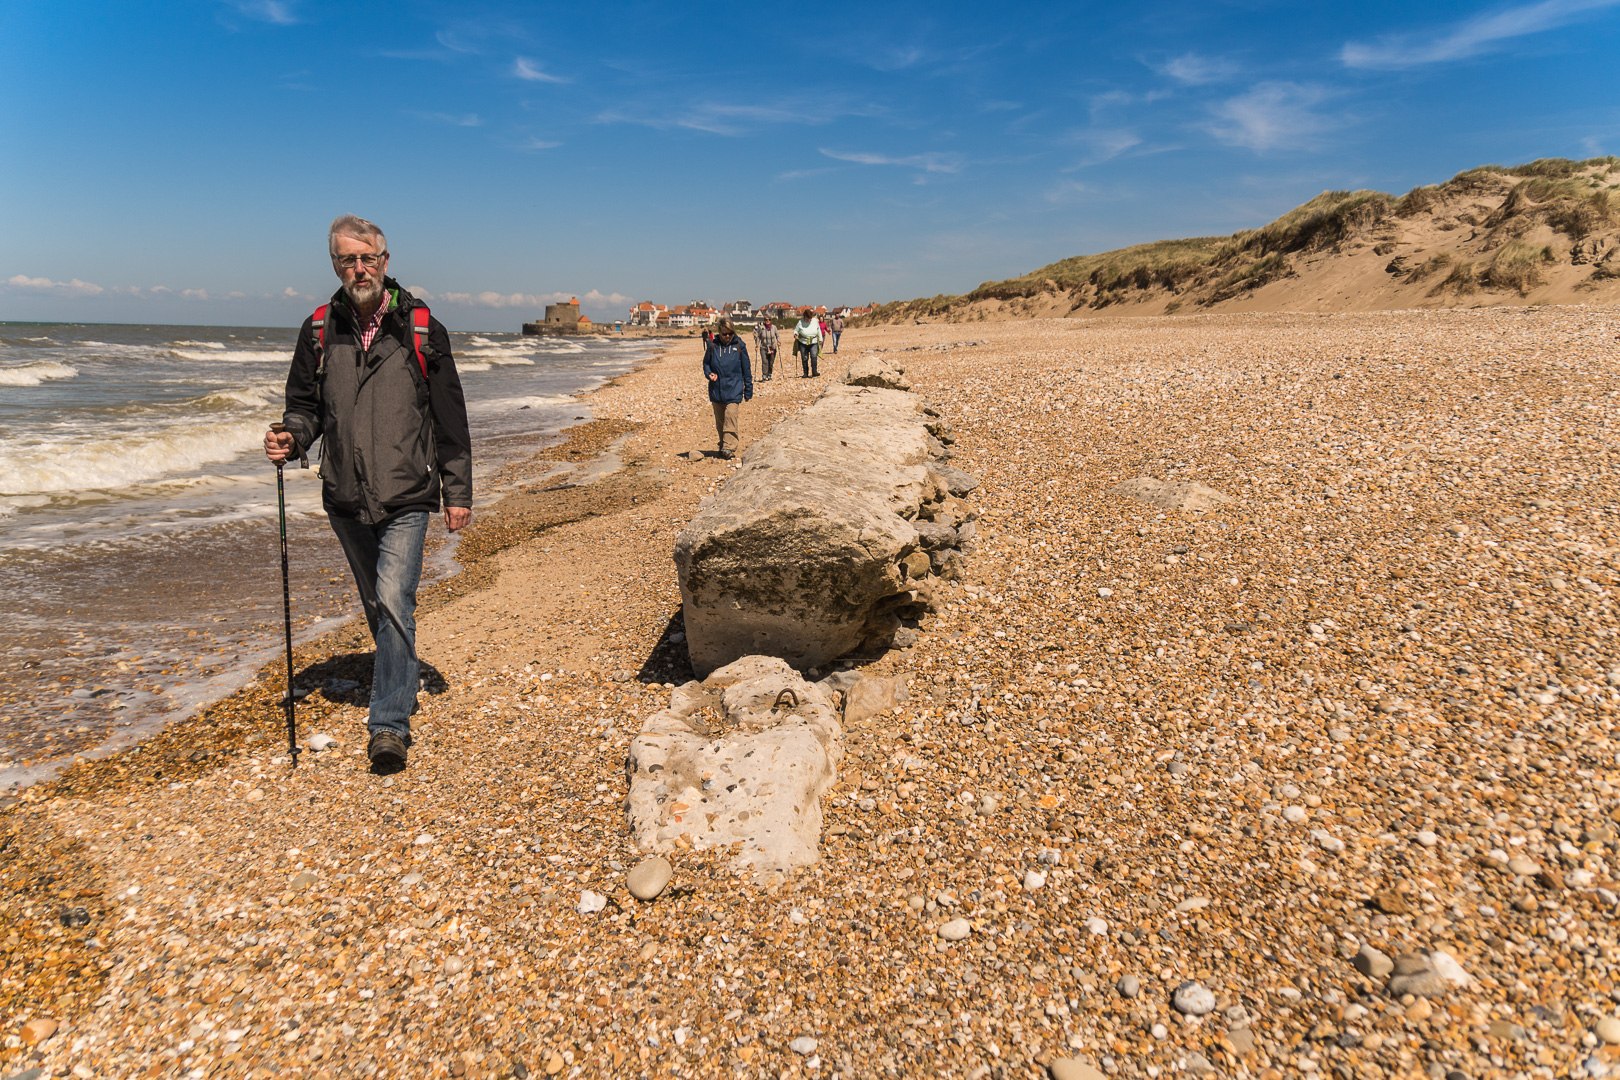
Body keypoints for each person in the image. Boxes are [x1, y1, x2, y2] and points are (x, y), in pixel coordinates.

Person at [264, 214, 473, 774]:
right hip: (345, 496)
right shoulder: (317, 329)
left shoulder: (422, 327)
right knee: (379, 604)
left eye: (367, 258)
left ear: (385, 261)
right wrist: (291, 437)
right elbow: (306, 410)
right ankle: (394, 680)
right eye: (346, 260)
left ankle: (388, 725)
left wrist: (458, 491)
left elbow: (451, 417)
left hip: (407, 492)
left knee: (395, 601)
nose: (358, 269)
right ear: (335, 265)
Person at [703, 319, 753, 459]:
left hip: (734, 389)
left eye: (730, 333)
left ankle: (729, 447)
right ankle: (723, 445)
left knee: (730, 417)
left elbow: (746, 369)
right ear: (720, 332)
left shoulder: (739, 346)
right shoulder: (712, 346)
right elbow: (706, 364)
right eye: (724, 334)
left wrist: (748, 389)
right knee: (720, 421)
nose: (727, 336)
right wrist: (709, 374)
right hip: (716, 390)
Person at [793, 308, 823, 377]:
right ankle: (805, 373)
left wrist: (820, 339)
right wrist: (795, 334)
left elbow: (818, 330)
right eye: (807, 318)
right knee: (804, 358)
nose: (809, 320)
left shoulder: (815, 321)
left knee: (814, 356)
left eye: (810, 318)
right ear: (804, 316)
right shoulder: (800, 322)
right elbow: (796, 330)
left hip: (813, 341)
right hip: (803, 342)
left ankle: (814, 372)